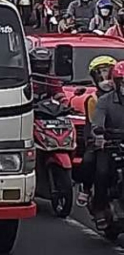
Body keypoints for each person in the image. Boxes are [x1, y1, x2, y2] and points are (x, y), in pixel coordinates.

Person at [76, 56, 117, 208]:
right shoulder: (94, 99)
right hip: (100, 141)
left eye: (108, 74)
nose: (105, 80)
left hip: (119, 139)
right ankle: (86, 189)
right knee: (93, 164)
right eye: (100, 74)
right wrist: (99, 137)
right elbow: (96, 122)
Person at [88, 60, 124, 229]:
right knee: (101, 172)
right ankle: (99, 208)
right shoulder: (104, 101)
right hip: (110, 144)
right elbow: (97, 123)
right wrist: (99, 134)